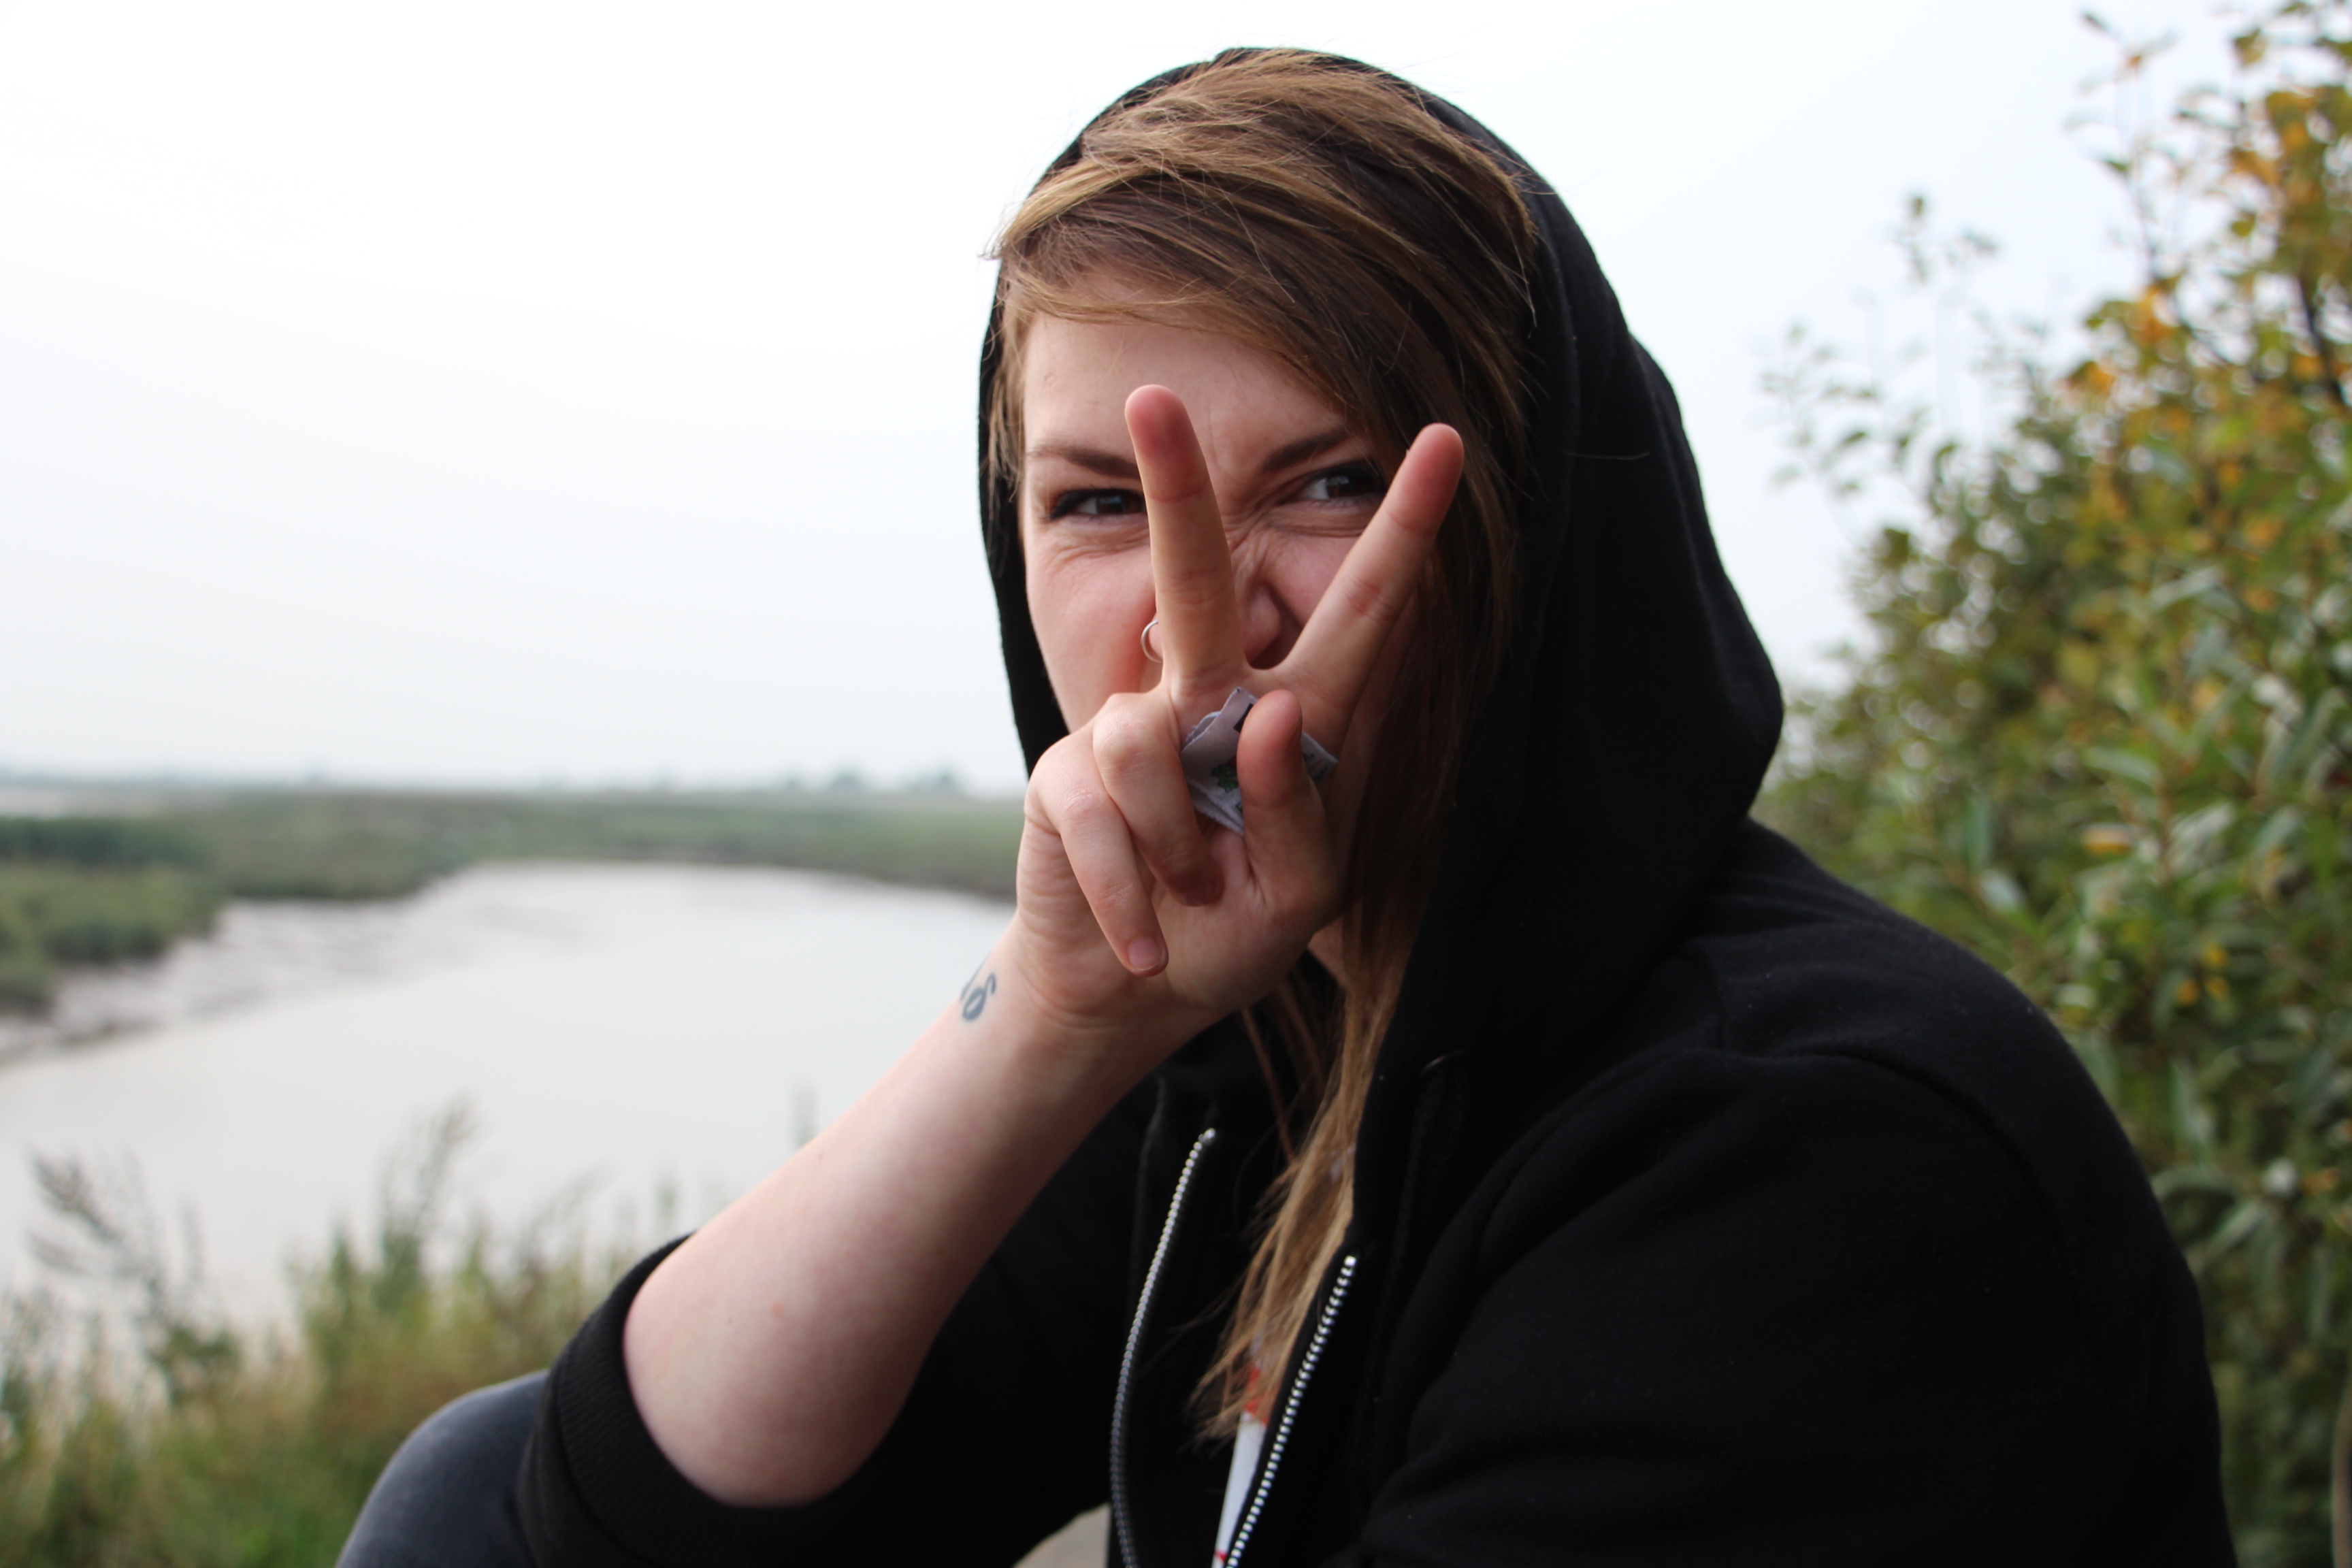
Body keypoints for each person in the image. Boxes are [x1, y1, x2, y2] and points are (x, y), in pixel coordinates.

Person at [340, 50, 2233, 1568]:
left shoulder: (1813, 1149)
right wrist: (1055, 1012)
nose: (1206, 621)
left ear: (1527, 534)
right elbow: (614, 1509)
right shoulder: (1265, 1046)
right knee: (467, 1476)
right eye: (1098, 503)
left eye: (1326, 484)